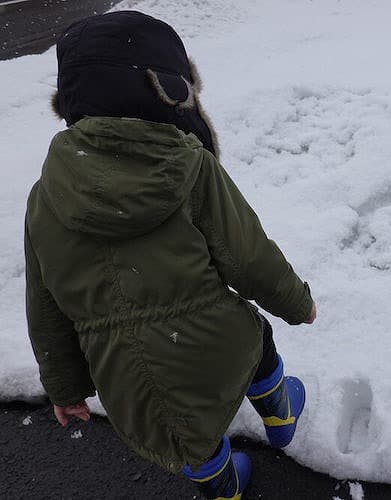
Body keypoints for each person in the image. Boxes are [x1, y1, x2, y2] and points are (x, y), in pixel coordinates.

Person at [24, 10, 315, 499]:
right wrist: (294, 302)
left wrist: (65, 388)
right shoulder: (191, 166)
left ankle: (223, 486)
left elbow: (45, 306)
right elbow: (245, 254)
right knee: (254, 339)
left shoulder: (43, 198)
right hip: (215, 344)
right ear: (170, 91)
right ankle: (280, 411)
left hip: (127, 384)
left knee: (185, 438)